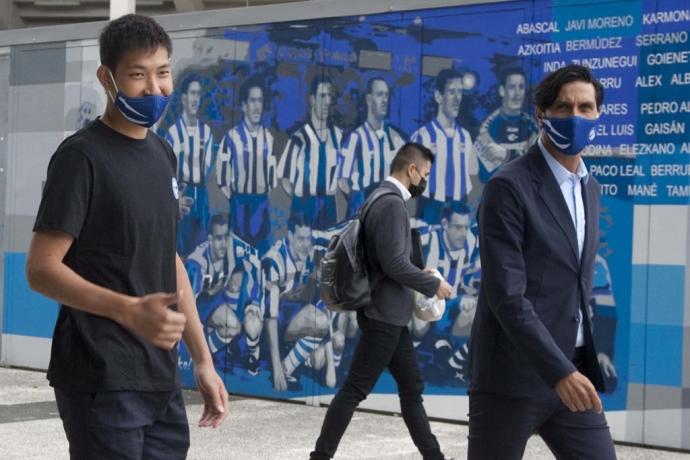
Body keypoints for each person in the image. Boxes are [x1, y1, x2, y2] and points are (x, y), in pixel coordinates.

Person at [25, 14, 228, 460]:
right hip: (101, 377)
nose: (155, 89)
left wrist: (202, 360)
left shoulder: (162, 154)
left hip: (160, 378)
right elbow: (41, 270)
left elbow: (169, 260)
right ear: (107, 77)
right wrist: (128, 310)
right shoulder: (81, 158)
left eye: (163, 72)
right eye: (138, 75)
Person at [466, 64, 616, 459]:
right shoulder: (508, 186)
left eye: (586, 108)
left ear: (598, 115)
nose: (576, 117)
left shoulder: (590, 188)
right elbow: (506, 295)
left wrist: (575, 365)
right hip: (511, 379)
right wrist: (559, 372)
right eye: (564, 108)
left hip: (572, 372)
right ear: (541, 115)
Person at [309, 142, 455, 460]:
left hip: (389, 314)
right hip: (384, 315)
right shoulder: (390, 204)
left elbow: (387, 260)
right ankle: (319, 457)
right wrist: (433, 285)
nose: (425, 181)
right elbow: (393, 265)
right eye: (425, 174)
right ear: (411, 169)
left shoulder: (376, 198)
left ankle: (435, 457)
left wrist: (419, 272)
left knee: (411, 388)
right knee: (354, 389)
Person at [185, 214, 263, 375]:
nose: (223, 244)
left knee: (239, 323)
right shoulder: (197, 263)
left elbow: (256, 261)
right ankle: (201, 355)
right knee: (228, 325)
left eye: (226, 237)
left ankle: (251, 352)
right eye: (219, 239)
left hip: (219, 295)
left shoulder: (236, 247)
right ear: (210, 239)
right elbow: (187, 307)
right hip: (200, 301)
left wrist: (254, 302)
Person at [217, 76, 276, 252]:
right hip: (240, 204)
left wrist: (260, 196)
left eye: (260, 101)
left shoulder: (268, 138)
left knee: (262, 254)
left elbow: (272, 179)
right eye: (252, 101)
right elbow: (222, 178)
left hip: (261, 204)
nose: (257, 106)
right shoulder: (232, 137)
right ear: (244, 105)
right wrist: (237, 198)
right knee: (239, 254)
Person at [412, 68, 479, 221]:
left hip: (458, 212)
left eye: (460, 92)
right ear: (438, 96)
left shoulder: (465, 137)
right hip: (429, 211)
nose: (457, 98)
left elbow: (474, 178)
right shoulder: (422, 137)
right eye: (451, 92)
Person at [277, 74, 343, 229]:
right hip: (304, 206)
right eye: (322, 96)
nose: (327, 102)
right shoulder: (298, 138)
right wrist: (299, 200)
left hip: (328, 207)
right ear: (312, 99)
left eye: (329, 96)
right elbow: (285, 177)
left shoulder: (338, 136)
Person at [165, 73, 215, 255]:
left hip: (201, 196)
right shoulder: (172, 133)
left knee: (200, 249)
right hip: (181, 194)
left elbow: (207, 167)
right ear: (184, 98)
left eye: (198, 94)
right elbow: (168, 170)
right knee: (178, 249)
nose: (195, 99)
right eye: (192, 94)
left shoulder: (207, 132)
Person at [339, 77, 406, 201]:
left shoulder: (395, 138)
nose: (385, 100)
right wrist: (358, 202)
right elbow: (342, 181)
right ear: (369, 99)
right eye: (380, 95)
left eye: (387, 95)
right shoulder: (356, 138)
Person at [474, 67, 539, 182]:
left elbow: (538, 165)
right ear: (502, 90)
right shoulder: (487, 128)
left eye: (521, 87)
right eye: (512, 87)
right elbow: (485, 176)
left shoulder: (533, 126)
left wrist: (507, 155)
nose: (517, 93)